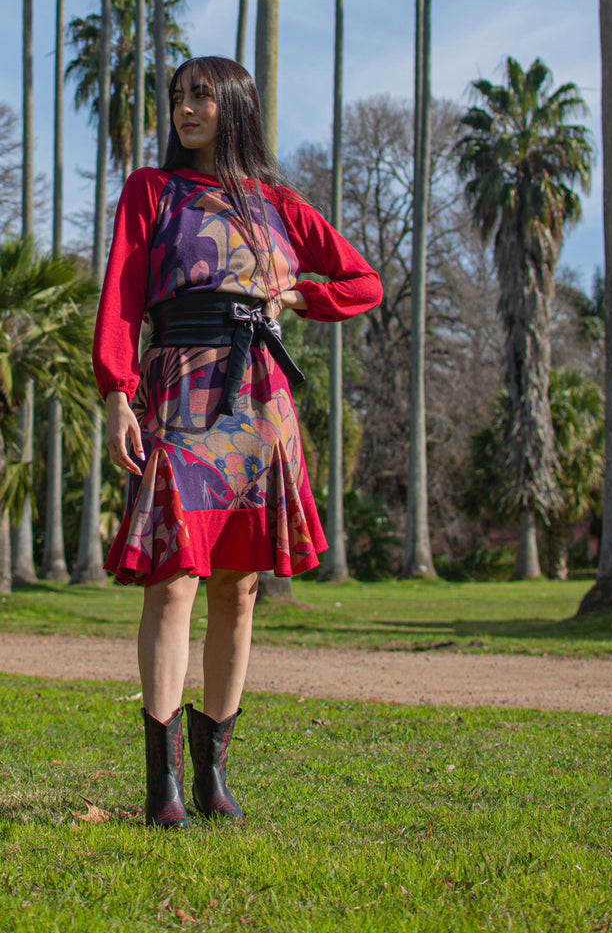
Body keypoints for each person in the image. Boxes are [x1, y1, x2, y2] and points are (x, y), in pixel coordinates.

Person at [94, 56, 382, 829]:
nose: (186, 109)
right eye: (179, 98)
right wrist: (117, 393)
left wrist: (299, 295)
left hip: (262, 399)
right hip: (179, 387)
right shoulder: (150, 192)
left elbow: (364, 283)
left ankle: (215, 770)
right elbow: (122, 293)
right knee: (175, 577)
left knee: (241, 586)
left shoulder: (280, 205)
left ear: (235, 107)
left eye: (202, 97)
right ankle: (164, 784)